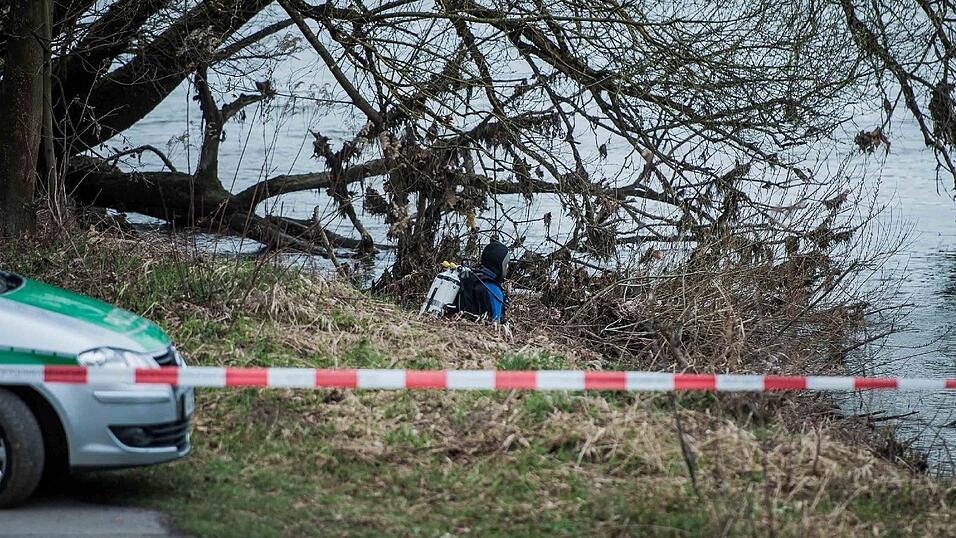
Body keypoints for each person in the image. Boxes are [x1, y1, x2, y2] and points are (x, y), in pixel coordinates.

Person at [456, 240, 509, 322]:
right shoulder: (494, 289)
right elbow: (496, 323)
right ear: (500, 265)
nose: (507, 267)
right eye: (506, 264)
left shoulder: (472, 276)